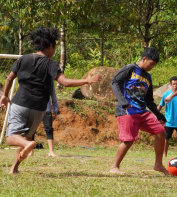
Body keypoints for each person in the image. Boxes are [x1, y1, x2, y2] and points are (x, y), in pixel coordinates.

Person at [0, 27, 101, 174]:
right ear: (50, 46)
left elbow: (9, 78)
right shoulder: (51, 64)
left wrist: (5, 95)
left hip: (20, 103)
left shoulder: (24, 59)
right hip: (39, 107)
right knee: (26, 137)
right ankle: (15, 168)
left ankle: (27, 145)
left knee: (11, 138)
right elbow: (65, 82)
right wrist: (87, 80)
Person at [110, 47, 169, 175]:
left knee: (161, 132)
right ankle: (115, 166)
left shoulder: (148, 77)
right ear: (144, 59)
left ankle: (158, 165)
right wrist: (123, 102)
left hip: (142, 112)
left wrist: (159, 114)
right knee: (128, 140)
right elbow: (114, 83)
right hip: (127, 111)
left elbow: (149, 100)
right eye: (151, 63)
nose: (152, 66)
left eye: (154, 65)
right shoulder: (130, 68)